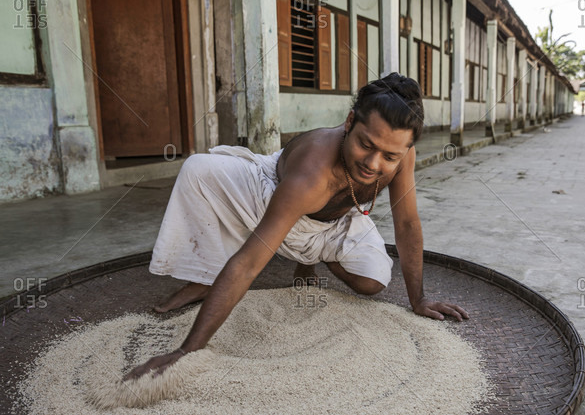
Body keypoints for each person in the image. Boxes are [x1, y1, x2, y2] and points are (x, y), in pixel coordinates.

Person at [124, 73, 469, 381]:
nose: (373, 163)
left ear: (405, 148)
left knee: (373, 282)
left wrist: (418, 299)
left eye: (389, 156)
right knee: (197, 170)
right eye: (366, 144)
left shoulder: (400, 154)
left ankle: (310, 256)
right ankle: (204, 278)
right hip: (271, 192)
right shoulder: (311, 175)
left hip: (337, 218)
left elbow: (407, 223)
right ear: (350, 121)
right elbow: (248, 264)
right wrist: (188, 350)